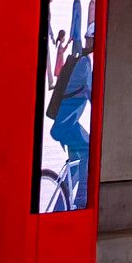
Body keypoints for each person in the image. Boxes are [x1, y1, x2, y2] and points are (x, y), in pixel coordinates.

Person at [46, 29, 93, 204]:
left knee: (75, 163)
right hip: (66, 125)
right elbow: (92, 94)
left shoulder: (79, 61)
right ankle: (81, 200)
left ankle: (61, 206)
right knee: (88, 148)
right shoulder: (85, 65)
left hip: (64, 124)